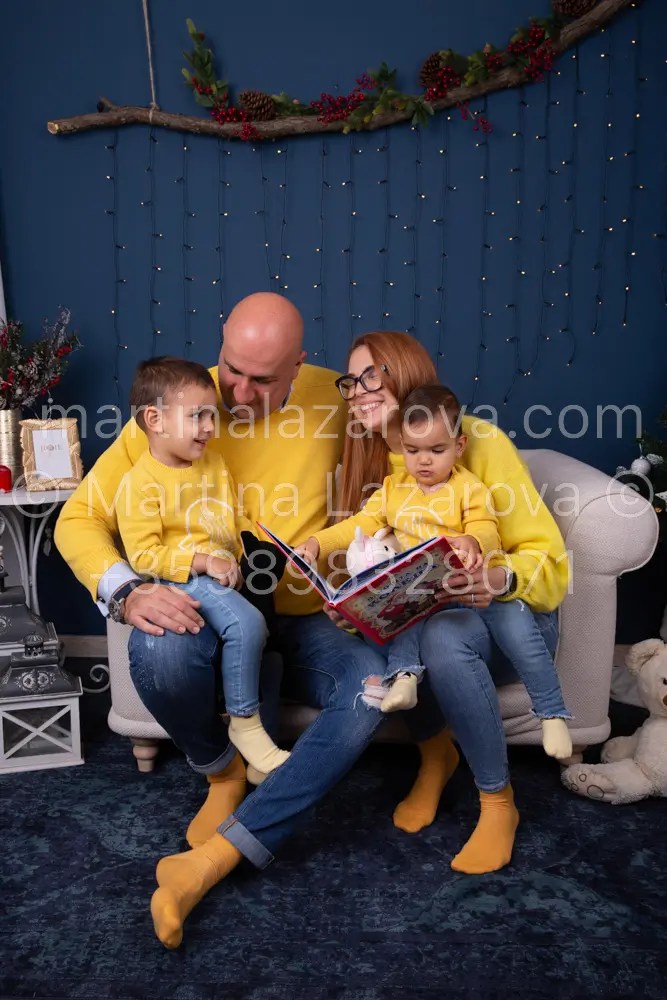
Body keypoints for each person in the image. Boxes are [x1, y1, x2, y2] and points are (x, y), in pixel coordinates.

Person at [55, 293, 394, 950]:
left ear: (299, 365)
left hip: (307, 616)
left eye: (261, 379)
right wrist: (125, 590)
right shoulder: (182, 400)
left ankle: (213, 859)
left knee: (371, 689)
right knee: (160, 651)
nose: (235, 392)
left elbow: (413, 452)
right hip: (215, 608)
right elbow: (81, 516)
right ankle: (221, 770)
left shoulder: (338, 399)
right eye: (230, 367)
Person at [329, 331, 569, 877]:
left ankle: (498, 802)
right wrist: (355, 607)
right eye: (351, 381)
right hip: (435, 613)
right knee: (390, 632)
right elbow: (375, 556)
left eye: (372, 375)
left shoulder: (480, 443)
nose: (358, 391)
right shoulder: (380, 458)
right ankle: (437, 755)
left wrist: (497, 578)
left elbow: (550, 564)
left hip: (513, 618)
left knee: (440, 636)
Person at [299, 383, 573, 758]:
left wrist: (472, 542)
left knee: (517, 625)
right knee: (407, 614)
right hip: (427, 592)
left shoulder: (468, 488)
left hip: (473, 588)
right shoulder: (394, 489)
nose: (423, 461)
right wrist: (317, 543)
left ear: (459, 447)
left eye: (436, 450)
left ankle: (552, 712)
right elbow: (359, 524)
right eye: (413, 451)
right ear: (401, 446)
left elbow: (485, 526)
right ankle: (405, 676)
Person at [117, 356, 290, 777]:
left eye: (212, 415)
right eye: (198, 416)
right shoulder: (140, 483)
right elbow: (144, 555)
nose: (211, 426)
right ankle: (245, 724)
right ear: (155, 420)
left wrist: (252, 547)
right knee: (247, 625)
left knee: (269, 647)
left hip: (225, 575)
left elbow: (231, 517)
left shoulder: (213, 464)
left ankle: (255, 755)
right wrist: (203, 561)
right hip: (185, 580)